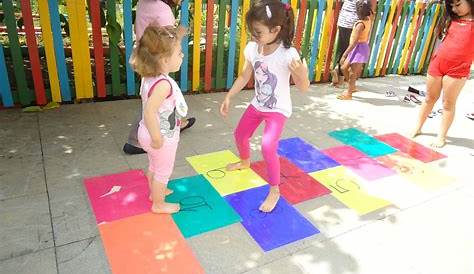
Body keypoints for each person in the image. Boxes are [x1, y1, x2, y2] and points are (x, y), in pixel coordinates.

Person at [220, 0, 310, 212]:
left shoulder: (288, 54)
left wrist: (302, 73)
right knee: (240, 134)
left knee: (268, 146)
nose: (254, 36)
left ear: (276, 30)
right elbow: (244, 75)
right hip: (258, 103)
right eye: (252, 31)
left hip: (278, 109)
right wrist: (229, 96)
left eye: (258, 32)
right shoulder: (253, 48)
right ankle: (245, 161)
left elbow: (303, 88)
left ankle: (275, 190)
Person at [123, 0, 195, 155]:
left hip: (145, 59)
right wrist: (180, 34)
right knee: (159, 101)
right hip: (158, 62)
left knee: (150, 98)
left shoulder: (143, 2)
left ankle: (176, 123)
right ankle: (136, 141)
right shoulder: (163, 11)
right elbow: (167, 44)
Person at [129, 25, 187, 213]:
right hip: (160, 136)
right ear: (163, 60)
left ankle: (155, 193)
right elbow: (149, 112)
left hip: (145, 131)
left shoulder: (150, 77)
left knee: (154, 165)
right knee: (163, 171)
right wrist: (157, 137)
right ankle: (159, 204)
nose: (183, 56)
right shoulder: (163, 85)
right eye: (179, 53)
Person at [411, 0, 473, 147]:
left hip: (458, 68)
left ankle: (441, 136)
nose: (454, 9)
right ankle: (418, 127)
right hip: (438, 62)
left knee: (448, 104)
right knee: (429, 98)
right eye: (451, 6)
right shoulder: (452, 19)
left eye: (458, 5)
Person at [337, 0, 373, 100]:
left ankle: (349, 93)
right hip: (357, 47)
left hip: (359, 48)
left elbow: (353, 43)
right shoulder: (368, 19)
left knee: (353, 72)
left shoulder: (360, 25)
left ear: (358, 12)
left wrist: (344, 55)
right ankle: (351, 86)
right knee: (344, 68)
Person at [331, 0, 359, 87]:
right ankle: (340, 78)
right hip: (352, 24)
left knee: (341, 48)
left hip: (343, 21)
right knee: (346, 50)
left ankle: (336, 70)